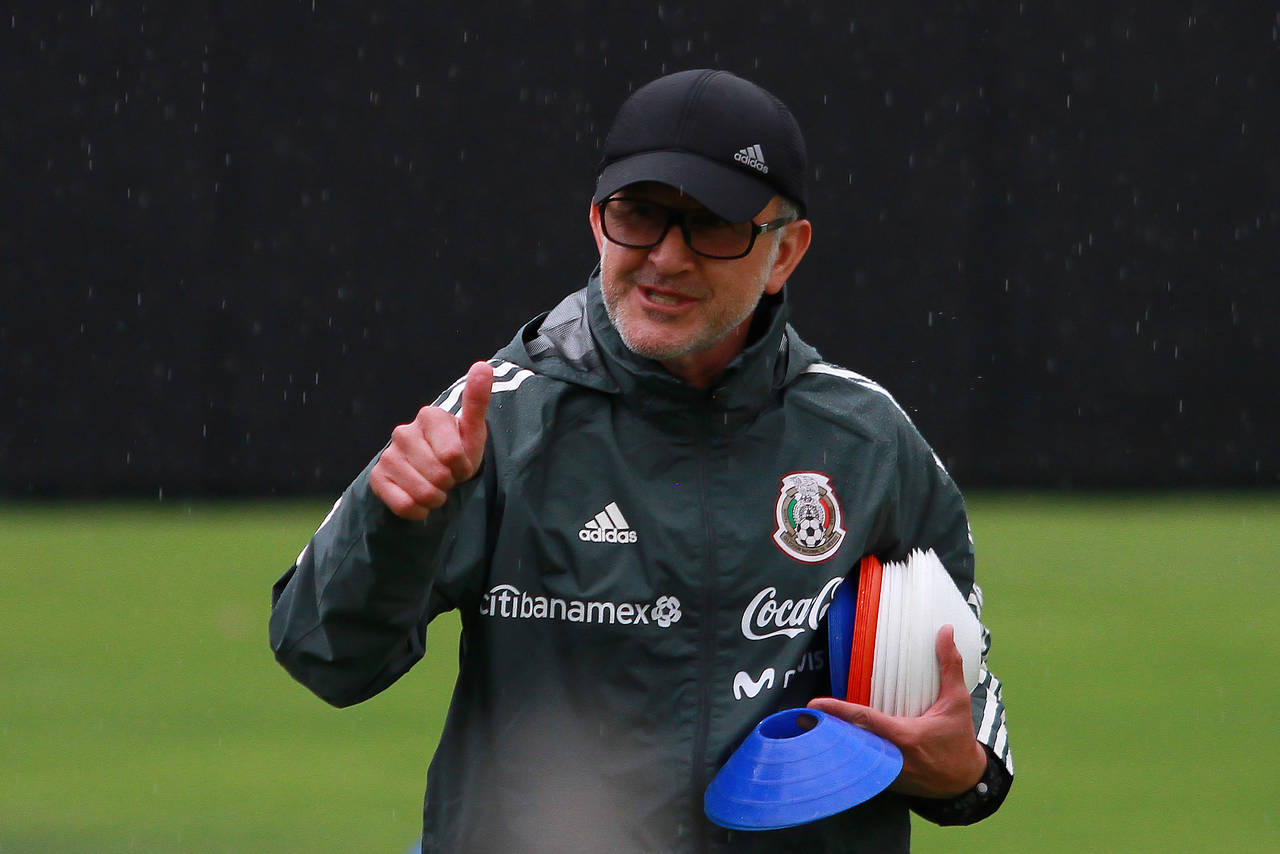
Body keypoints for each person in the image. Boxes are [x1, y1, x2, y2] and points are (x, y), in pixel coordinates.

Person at [270, 68, 1012, 852]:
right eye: (640, 214)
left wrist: (966, 770)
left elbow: (963, 697)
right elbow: (326, 656)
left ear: (785, 253)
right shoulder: (498, 420)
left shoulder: (869, 443)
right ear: (598, 223)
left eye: (713, 225)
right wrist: (393, 525)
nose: (666, 256)